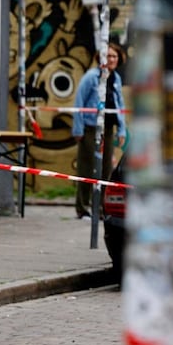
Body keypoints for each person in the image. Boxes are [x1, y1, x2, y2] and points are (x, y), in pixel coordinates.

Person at [72, 44, 126, 220]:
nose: (111, 60)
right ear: (100, 58)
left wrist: (122, 129)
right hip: (90, 128)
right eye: (108, 56)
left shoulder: (116, 78)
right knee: (87, 168)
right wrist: (78, 128)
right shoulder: (91, 77)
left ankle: (103, 209)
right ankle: (83, 208)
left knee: (106, 170)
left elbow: (119, 104)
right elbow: (79, 102)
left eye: (114, 56)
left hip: (108, 128)